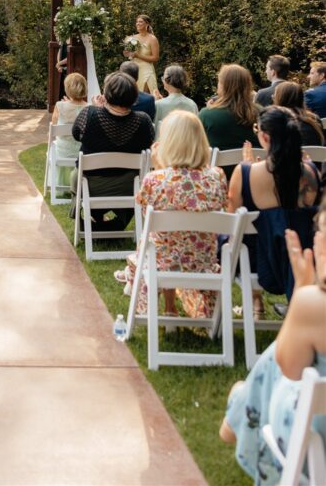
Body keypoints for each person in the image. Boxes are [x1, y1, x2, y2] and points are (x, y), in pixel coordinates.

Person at [219, 195, 326, 486]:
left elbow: (288, 366)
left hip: (316, 443)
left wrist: (303, 294)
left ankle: (240, 409)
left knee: (278, 371)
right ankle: (239, 407)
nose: (317, 242)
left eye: (322, 232)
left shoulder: (315, 306)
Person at [118, 110, 228, 318]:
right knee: (169, 241)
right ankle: (170, 307)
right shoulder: (217, 177)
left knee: (160, 241)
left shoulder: (155, 179)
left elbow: (147, 217)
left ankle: (168, 306)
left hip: (162, 263)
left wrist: (159, 167)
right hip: (202, 263)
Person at [228, 106, 321, 315]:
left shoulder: (244, 173)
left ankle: (255, 302)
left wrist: (248, 167)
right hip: (305, 260)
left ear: (265, 137)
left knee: (231, 241)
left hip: (258, 264)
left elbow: (232, 222)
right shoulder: (311, 172)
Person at [70, 71, 155, 230]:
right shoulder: (144, 120)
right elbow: (149, 142)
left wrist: (97, 110)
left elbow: (76, 134)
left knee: (74, 175)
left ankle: (94, 218)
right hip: (130, 186)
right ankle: (114, 222)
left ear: (107, 93)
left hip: (89, 185)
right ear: (134, 95)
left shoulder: (90, 113)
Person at [199, 64, 260, 153]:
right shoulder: (262, 113)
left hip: (218, 166)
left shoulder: (207, 115)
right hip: (254, 166)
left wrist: (211, 110)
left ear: (223, 85)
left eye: (219, 82)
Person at [50, 73, 88, 188]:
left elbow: (54, 126)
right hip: (82, 152)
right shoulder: (90, 108)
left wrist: (66, 103)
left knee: (56, 145)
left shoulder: (60, 106)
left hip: (63, 151)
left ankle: (61, 184)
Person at [274, 81, 325, 153]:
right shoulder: (315, 119)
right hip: (316, 162)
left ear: (280, 99)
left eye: (274, 96)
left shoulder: (277, 122)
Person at [152, 65, 199, 135]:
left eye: (163, 78)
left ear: (168, 80)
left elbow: (154, 130)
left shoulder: (158, 105)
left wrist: (156, 102)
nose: (162, 80)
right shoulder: (192, 104)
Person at [123, 14, 159, 93]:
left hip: (147, 70)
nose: (138, 23)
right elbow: (127, 54)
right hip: (134, 70)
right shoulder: (132, 38)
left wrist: (138, 55)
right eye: (137, 22)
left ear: (147, 24)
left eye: (140, 22)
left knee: (145, 95)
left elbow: (155, 58)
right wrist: (127, 53)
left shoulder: (152, 39)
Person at [56, 35, 71, 102]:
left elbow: (69, 57)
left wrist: (59, 63)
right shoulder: (64, 41)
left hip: (69, 68)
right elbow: (59, 51)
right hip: (62, 68)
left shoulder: (72, 42)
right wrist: (59, 64)